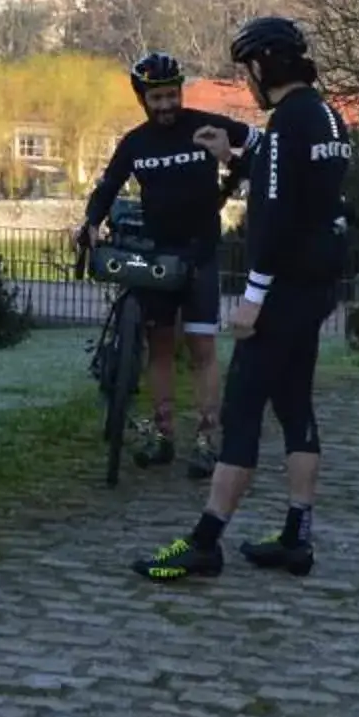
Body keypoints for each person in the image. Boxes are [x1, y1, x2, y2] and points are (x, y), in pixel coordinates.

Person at [134, 16, 350, 582]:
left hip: (281, 292)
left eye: (250, 67)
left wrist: (253, 297)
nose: (248, 79)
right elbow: (298, 179)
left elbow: (275, 216)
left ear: (266, 65)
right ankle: (297, 535)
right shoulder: (327, 116)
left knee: (242, 410)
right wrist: (235, 151)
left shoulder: (286, 125)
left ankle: (205, 542)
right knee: (296, 405)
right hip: (318, 285)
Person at [76, 51, 249, 476]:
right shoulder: (135, 143)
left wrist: (230, 160)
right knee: (161, 349)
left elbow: (259, 151)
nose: (167, 105)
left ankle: (209, 438)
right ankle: (164, 434)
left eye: (172, 96)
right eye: (157, 99)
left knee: (202, 349)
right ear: (143, 99)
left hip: (200, 254)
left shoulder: (204, 125)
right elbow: (108, 186)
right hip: (156, 255)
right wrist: (91, 224)